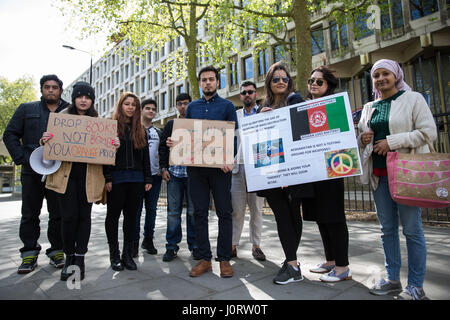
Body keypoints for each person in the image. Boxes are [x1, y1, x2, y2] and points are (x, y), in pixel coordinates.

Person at [358, 59, 437, 300]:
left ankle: (415, 286)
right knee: (387, 230)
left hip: (406, 174)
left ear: (396, 76)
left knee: (412, 230)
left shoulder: (412, 99)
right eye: (376, 75)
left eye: (386, 74)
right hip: (379, 176)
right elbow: (363, 136)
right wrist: (364, 139)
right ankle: (393, 279)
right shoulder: (369, 106)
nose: (381, 79)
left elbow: (428, 133)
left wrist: (392, 142)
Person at [42, 82, 118, 281]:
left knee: (84, 218)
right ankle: (69, 258)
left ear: (92, 100)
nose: (83, 100)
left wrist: (113, 145)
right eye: (80, 96)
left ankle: (80, 258)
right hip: (65, 178)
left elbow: (107, 155)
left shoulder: (99, 123)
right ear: (74, 99)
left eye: (87, 97)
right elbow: (49, 148)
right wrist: (46, 140)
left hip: (89, 178)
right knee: (68, 218)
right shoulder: (61, 119)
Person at [167, 66, 238, 278]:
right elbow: (187, 134)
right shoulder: (192, 107)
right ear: (199, 83)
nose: (207, 83)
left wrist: (230, 158)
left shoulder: (227, 106)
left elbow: (233, 136)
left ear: (218, 82)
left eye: (211, 79)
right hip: (196, 170)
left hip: (220, 170)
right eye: (204, 80)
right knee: (199, 213)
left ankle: (224, 259)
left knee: (224, 212)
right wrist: (175, 142)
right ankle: (205, 259)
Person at [3, 74, 69, 274]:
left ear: (60, 90)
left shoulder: (70, 111)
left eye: (55, 87)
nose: (51, 90)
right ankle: (29, 253)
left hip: (58, 171)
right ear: (42, 89)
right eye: (47, 87)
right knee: (30, 213)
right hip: (31, 171)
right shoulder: (26, 109)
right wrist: (22, 157)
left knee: (58, 214)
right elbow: (10, 134)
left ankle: (57, 250)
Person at [257, 61, 312, 284]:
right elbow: (260, 142)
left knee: (292, 215)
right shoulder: (264, 105)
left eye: (284, 78)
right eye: (275, 79)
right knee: (283, 216)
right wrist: (261, 118)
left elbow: (302, 134)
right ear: (269, 83)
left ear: (289, 81)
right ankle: (292, 262)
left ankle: (292, 263)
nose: (281, 82)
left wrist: (289, 173)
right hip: (271, 170)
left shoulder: (295, 99)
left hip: (294, 170)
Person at [300, 66, 351, 282]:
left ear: (328, 85)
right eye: (311, 80)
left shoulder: (336, 106)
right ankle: (330, 261)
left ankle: (342, 267)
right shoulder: (303, 108)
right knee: (321, 218)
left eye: (319, 81)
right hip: (312, 172)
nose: (313, 84)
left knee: (334, 218)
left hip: (332, 168)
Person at [104, 92, 152, 271]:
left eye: (134, 104)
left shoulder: (141, 129)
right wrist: (107, 177)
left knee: (132, 219)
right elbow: (104, 155)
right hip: (116, 180)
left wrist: (147, 178)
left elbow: (146, 156)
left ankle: (127, 255)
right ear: (121, 106)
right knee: (113, 218)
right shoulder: (110, 127)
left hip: (137, 180)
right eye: (127, 104)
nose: (130, 107)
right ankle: (114, 255)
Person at [159, 93, 200, 262]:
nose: (183, 106)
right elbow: (162, 147)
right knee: (173, 212)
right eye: (180, 103)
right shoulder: (171, 125)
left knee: (192, 212)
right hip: (174, 174)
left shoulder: (198, 124)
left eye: (186, 103)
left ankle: (195, 246)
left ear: (190, 105)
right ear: (176, 106)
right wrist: (163, 168)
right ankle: (171, 246)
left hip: (193, 174)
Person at [231, 80, 266, 261]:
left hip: (258, 168)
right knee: (236, 210)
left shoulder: (264, 113)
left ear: (256, 94)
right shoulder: (234, 115)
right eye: (244, 93)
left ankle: (256, 246)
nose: (247, 95)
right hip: (238, 168)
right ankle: (232, 245)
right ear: (240, 96)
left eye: (250, 92)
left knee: (257, 210)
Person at [134, 98, 163, 257]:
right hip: (138, 178)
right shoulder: (133, 130)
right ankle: (134, 242)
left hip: (155, 177)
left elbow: (163, 152)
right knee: (136, 211)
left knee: (151, 210)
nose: (151, 111)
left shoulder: (158, 132)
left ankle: (148, 239)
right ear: (141, 110)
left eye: (153, 109)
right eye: (148, 108)